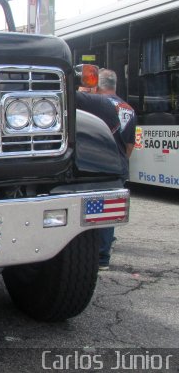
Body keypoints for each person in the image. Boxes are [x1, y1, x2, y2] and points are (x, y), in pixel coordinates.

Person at [76, 68, 137, 270]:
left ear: (97, 85)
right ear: (115, 85)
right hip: (119, 164)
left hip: (96, 162)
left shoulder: (94, 103)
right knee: (107, 210)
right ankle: (104, 255)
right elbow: (130, 145)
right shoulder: (128, 108)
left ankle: (99, 256)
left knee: (95, 209)